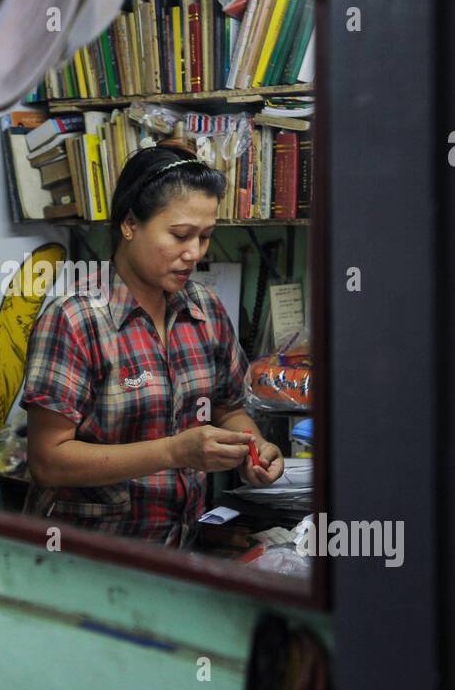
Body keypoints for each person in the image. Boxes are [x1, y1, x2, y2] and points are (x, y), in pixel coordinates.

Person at [21, 139, 285, 548]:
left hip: (177, 549)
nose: (194, 253)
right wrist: (174, 452)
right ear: (130, 224)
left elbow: (229, 407)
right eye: (180, 235)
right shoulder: (75, 320)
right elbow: (47, 462)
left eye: (205, 236)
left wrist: (255, 447)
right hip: (88, 555)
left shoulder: (205, 310)